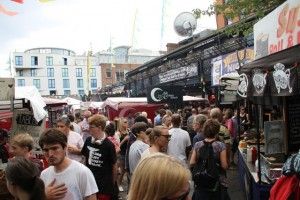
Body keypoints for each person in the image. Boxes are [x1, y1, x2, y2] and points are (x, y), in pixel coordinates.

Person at [39, 128, 98, 200]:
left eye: (54, 148)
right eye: (46, 150)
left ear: (65, 148)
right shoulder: (44, 174)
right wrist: (44, 196)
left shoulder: (82, 172)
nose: (50, 154)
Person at [190, 119, 229, 200]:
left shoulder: (198, 145)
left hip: (201, 181)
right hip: (217, 182)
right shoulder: (221, 146)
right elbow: (224, 166)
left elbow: (192, 162)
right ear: (217, 131)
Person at [81, 114, 118, 200]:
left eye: (91, 127)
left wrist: (112, 184)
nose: (89, 130)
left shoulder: (109, 145)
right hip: (89, 185)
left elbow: (114, 166)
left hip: (104, 187)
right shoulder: (88, 140)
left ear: (100, 127)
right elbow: (85, 158)